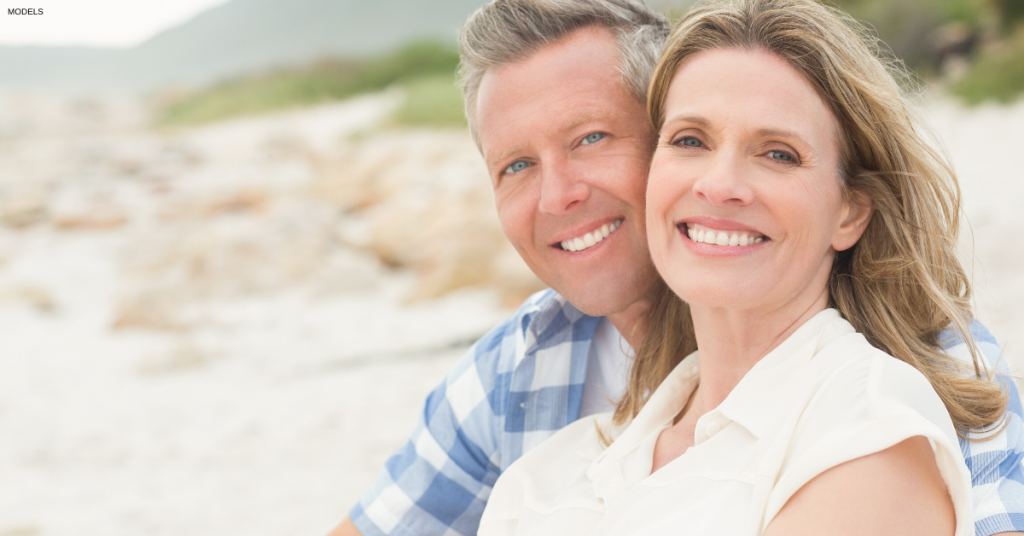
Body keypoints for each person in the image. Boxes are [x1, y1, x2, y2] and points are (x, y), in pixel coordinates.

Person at [329, 1, 1024, 535]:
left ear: (852, 211)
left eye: (591, 138)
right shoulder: (536, 388)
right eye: (516, 166)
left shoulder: (905, 388)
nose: (557, 194)